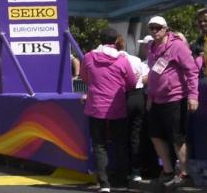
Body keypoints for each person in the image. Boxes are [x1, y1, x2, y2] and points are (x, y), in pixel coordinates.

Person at [145, 15, 198, 189]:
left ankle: (184, 173)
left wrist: (193, 96)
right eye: (151, 28)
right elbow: (153, 75)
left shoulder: (177, 46)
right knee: (155, 135)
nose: (154, 31)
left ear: (166, 28)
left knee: (177, 138)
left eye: (157, 27)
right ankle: (167, 170)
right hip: (157, 99)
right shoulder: (151, 47)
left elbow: (192, 70)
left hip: (175, 97)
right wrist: (151, 97)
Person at [81, 28, 137, 192]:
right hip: (117, 106)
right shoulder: (122, 59)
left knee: (99, 145)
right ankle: (121, 180)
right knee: (120, 143)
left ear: (100, 39)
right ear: (115, 41)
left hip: (95, 107)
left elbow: (85, 78)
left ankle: (104, 183)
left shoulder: (89, 57)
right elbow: (132, 83)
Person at [117, 34, 153, 183]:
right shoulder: (138, 60)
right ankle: (136, 171)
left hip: (125, 96)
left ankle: (126, 171)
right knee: (136, 136)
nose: (144, 47)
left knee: (122, 136)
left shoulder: (115, 59)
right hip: (139, 98)